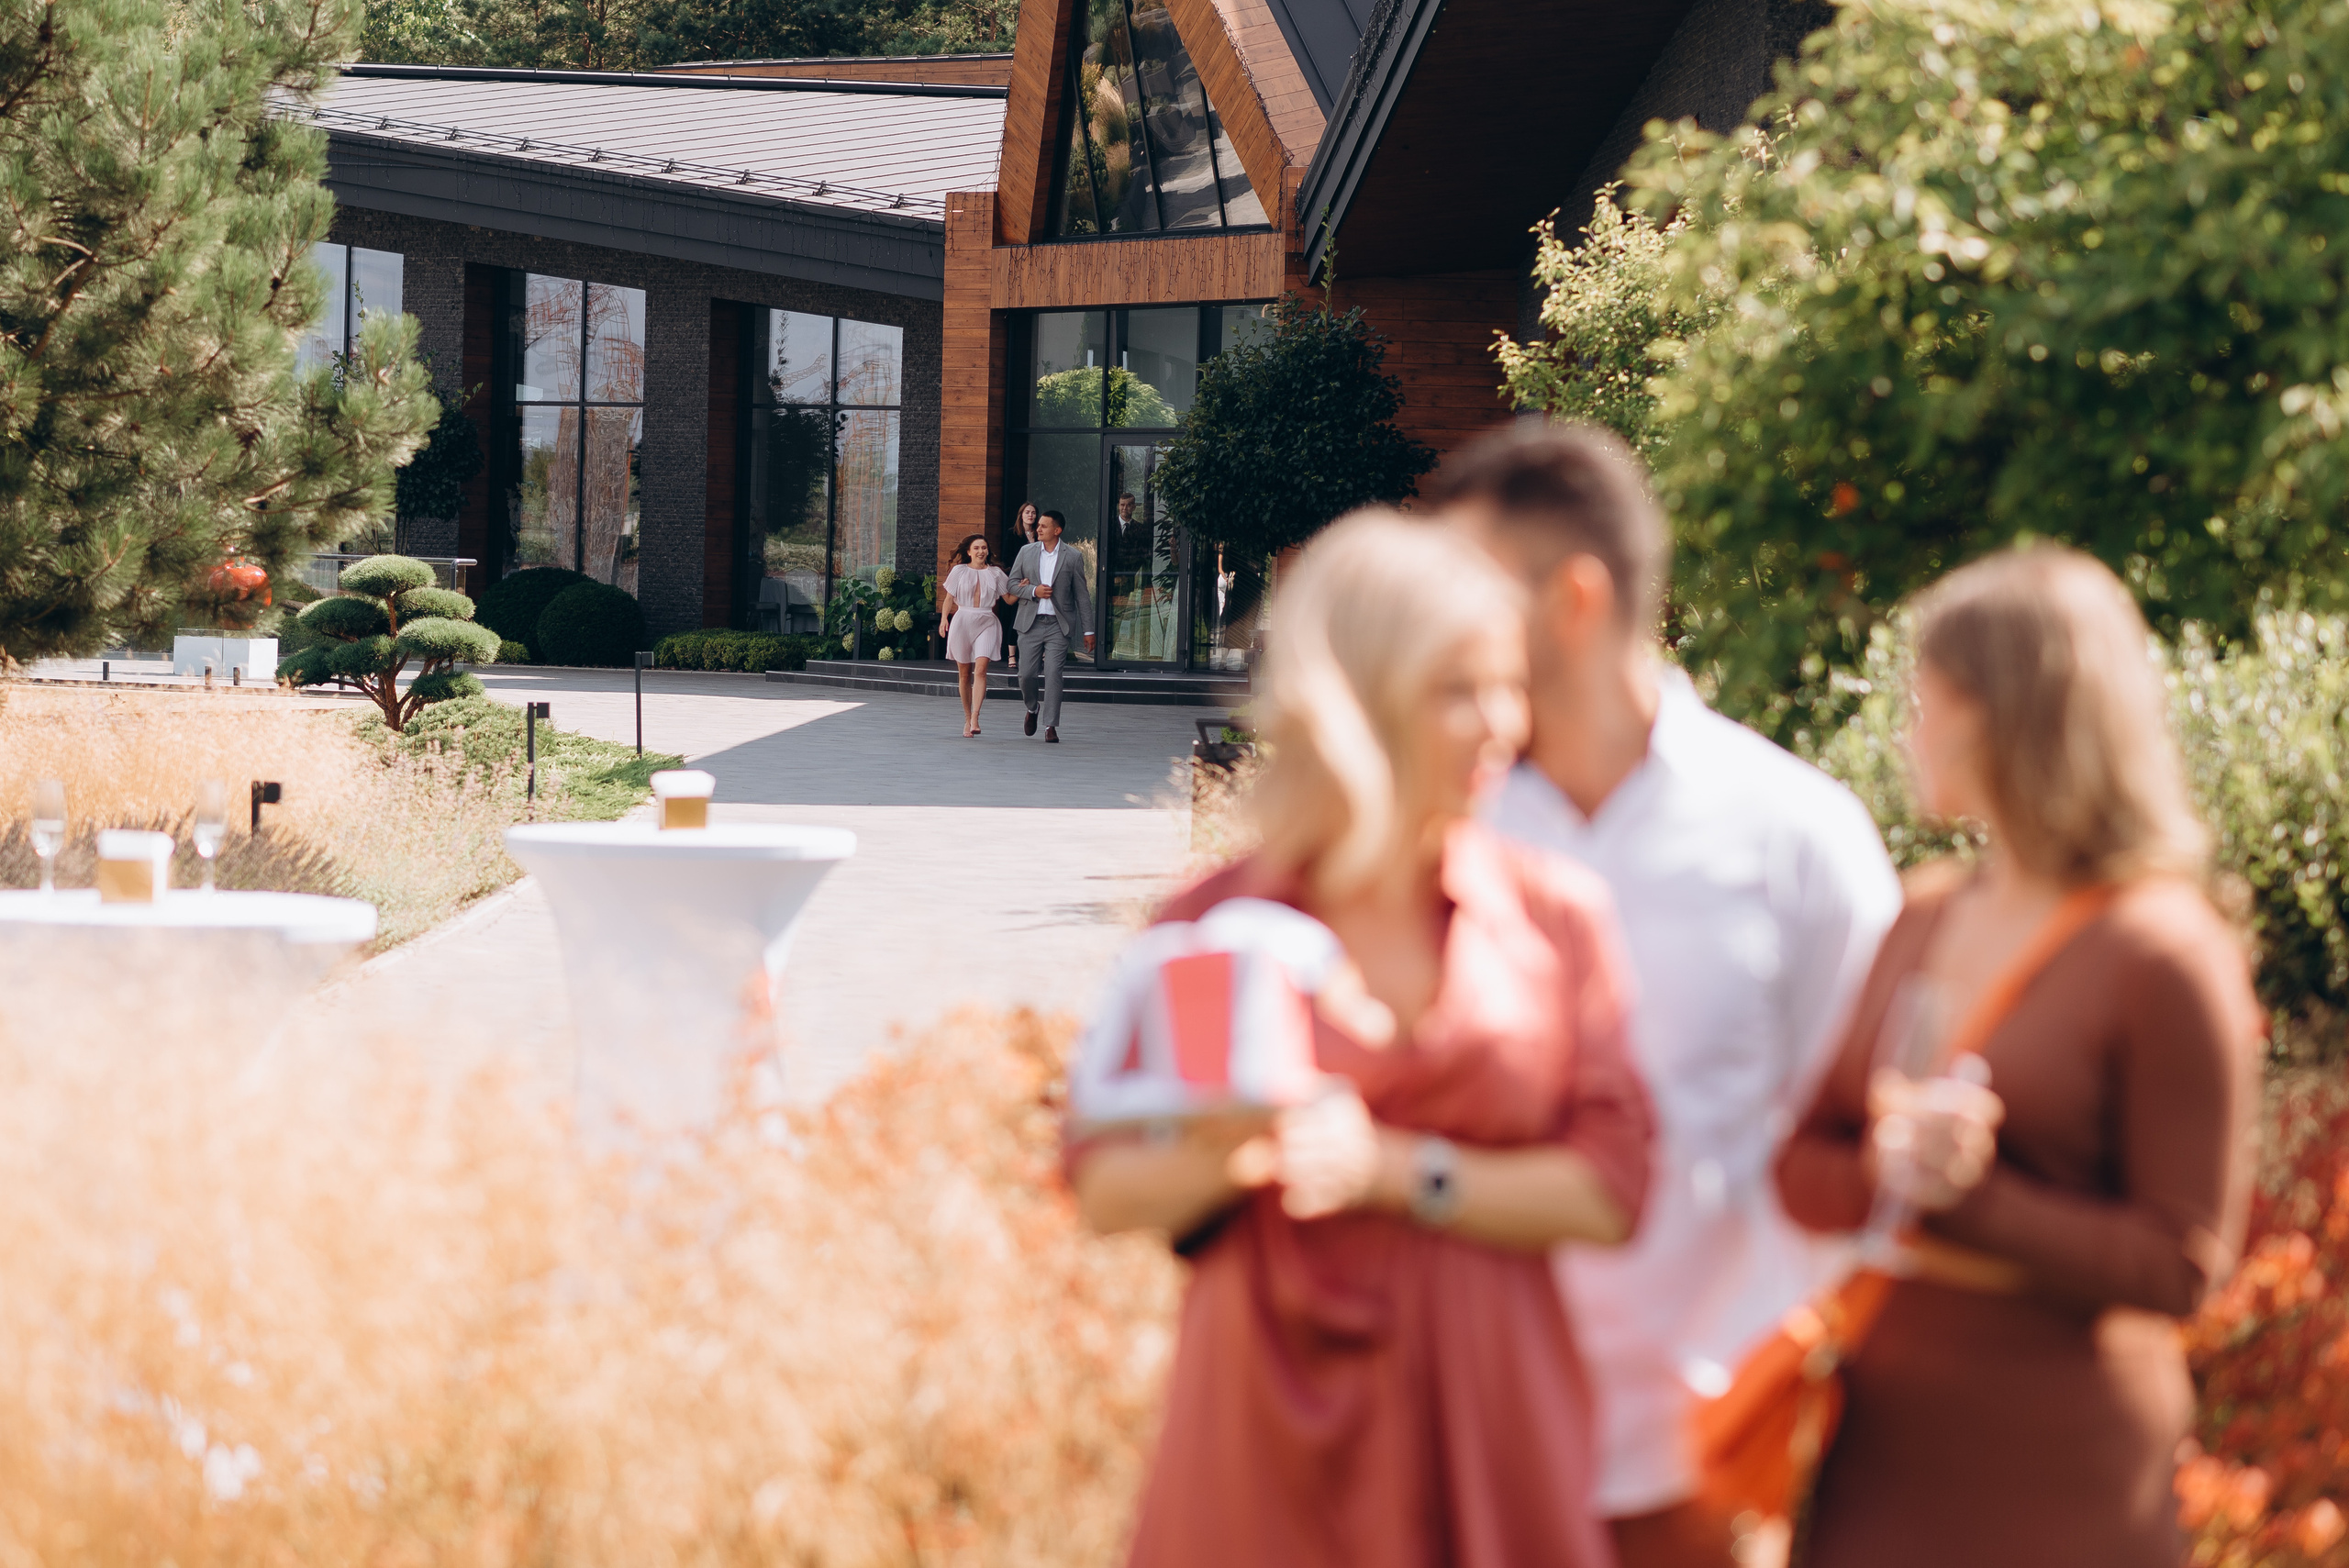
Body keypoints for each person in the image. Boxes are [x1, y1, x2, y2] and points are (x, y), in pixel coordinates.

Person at [1070, 509, 1655, 1568]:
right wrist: (1221, 1150)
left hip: (1494, 1396)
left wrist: (1399, 1171)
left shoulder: (1554, 913)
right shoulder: (1215, 915)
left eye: (1508, 684)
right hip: (1268, 1403)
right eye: (1455, 689)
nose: (1500, 724)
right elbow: (1101, 1182)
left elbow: (1614, 1187)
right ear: (1355, 697)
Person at [1439, 422, 1901, 1568]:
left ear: (1575, 600)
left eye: (1470, 596)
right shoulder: (1436, 835)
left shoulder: (1799, 838)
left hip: (1707, 1474)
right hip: (1467, 1457)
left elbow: (1868, 1155)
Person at [1774, 544, 2262, 1566]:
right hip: (1875, 1453)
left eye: (1926, 698)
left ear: (2004, 715)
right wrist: (1882, 1169)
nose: (1905, 728)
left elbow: (2181, 1263)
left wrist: (1969, 1196)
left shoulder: (2162, 952)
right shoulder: (1926, 909)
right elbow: (1800, 1162)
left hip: (2056, 1477)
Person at [1004, 508, 1093, 743]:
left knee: (1054, 675)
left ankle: (1050, 726)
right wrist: (1034, 590)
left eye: (1044, 526)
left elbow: (1082, 596)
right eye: (1038, 525)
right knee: (1026, 675)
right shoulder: (1026, 551)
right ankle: (1032, 708)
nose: (1038, 528)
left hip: (1058, 626)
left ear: (1057, 530)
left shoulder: (1072, 556)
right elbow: (1011, 584)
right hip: (1029, 624)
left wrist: (1089, 630)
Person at [939, 532, 1010, 737]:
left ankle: (976, 717)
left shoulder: (996, 573)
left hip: (987, 620)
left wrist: (1025, 588)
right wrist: (944, 619)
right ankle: (967, 718)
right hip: (962, 620)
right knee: (964, 674)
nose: (981, 551)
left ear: (988, 551)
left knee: (981, 669)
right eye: (977, 548)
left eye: (984, 548)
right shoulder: (959, 571)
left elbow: (1010, 599)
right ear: (969, 552)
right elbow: (948, 598)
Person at [1001, 502, 1039, 671]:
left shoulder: (1039, 534)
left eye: (1033, 513)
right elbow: (1007, 558)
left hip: (1036, 581)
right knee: (1016, 617)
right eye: (1027, 512)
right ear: (1021, 515)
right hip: (1019, 580)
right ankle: (1011, 655)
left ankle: (1037, 653)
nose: (1030, 515)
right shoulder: (1013, 533)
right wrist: (1020, 578)